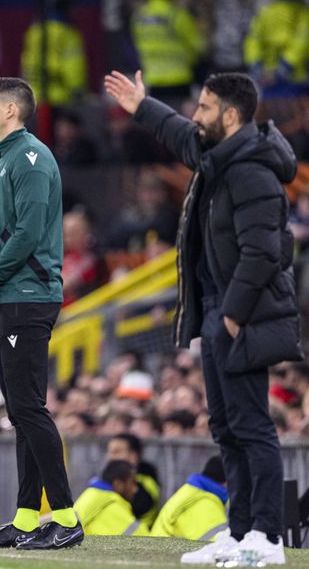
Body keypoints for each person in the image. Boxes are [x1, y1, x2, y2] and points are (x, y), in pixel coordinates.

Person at [105, 69, 299, 566]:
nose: (196, 115)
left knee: (253, 427)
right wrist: (143, 107)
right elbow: (181, 135)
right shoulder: (220, 156)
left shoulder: (252, 171)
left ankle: (267, 538)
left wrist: (231, 316)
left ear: (230, 116)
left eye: (206, 107)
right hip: (217, 311)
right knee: (226, 428)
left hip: (240, 316)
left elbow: (262, 254)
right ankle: (238, 532)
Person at [0, 78, 82, 550]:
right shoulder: (9, 159)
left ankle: (66, 517)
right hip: (8, 297)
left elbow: (27, 234)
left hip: (25, 296)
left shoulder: (29, 159)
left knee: (29, 408)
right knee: (21, 412)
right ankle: (27, 518)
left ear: (11, 110)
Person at [131, 0, 204, 102]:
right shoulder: (177, 15)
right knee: (178, 118)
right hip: (180, 79)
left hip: (152, 78)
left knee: (158, 116)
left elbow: (137, 43)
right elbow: (197, 46)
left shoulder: (139, 16)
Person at [20, 0, 87, 107]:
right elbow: (73, 66)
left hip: (34, 96)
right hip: (62, 97)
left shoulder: (34, 31)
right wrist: (77, 90)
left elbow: (26, 63)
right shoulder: (68, 34)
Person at [243, 0, 309, 96]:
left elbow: (252, 39)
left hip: (266, 79)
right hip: (296, 80)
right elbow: (302, 42)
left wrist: (256, 64)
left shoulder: (265, 12)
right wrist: (285, 66)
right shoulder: (303, 14)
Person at [151, 456, 228, 541]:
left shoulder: (191, 493)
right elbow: (219, 549)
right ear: (228, 482)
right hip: (164, 553)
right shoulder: (204, 505)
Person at [74, 460, 149, 536]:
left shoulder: (90, 497)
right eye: (133, 483)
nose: (135, 489)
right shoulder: (112, 507)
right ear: (118, 484)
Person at [106, 433, 161, 529]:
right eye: (110, 452)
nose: (111, 457)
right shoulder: (112, 479)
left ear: (133, 456)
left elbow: (141, 506)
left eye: (117, 452)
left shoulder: (145, 482)